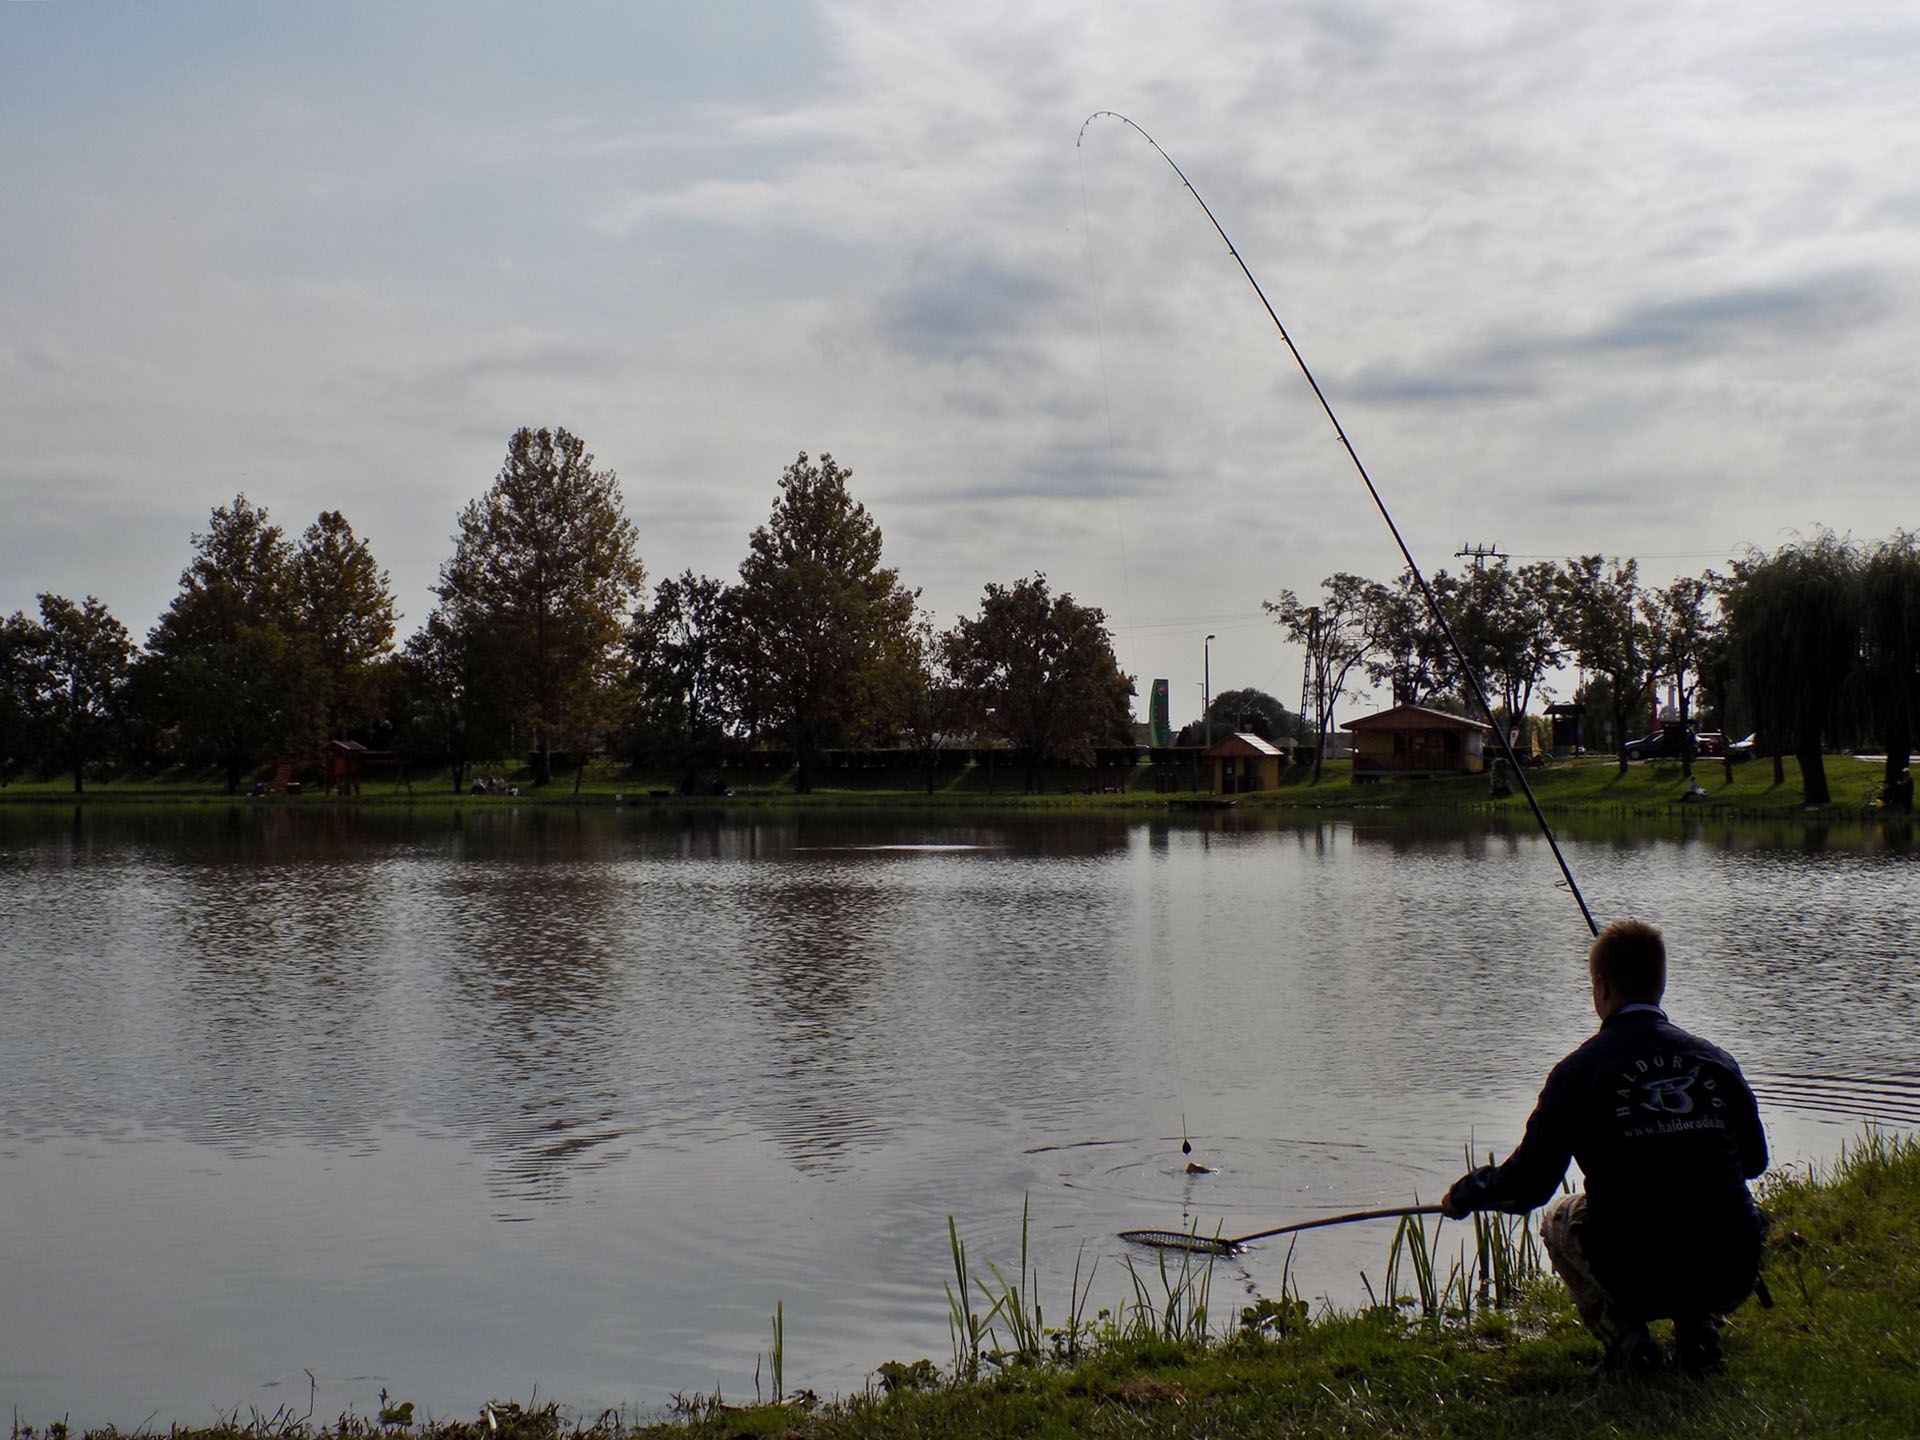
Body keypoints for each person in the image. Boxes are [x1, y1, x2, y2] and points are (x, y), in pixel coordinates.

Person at [1439, 919, 1768, 1376]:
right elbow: (1754, 1164)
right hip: (1733, 1268)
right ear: (1661, 982)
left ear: (1602, 987)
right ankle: (1700, 1331)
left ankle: (1628, 1340)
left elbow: (1529, 1187)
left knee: (1558, 1218)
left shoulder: (1578, 1073)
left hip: (1637, 1273)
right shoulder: (1716, 1061)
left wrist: (1467, 1194)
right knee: (1711, 1205)